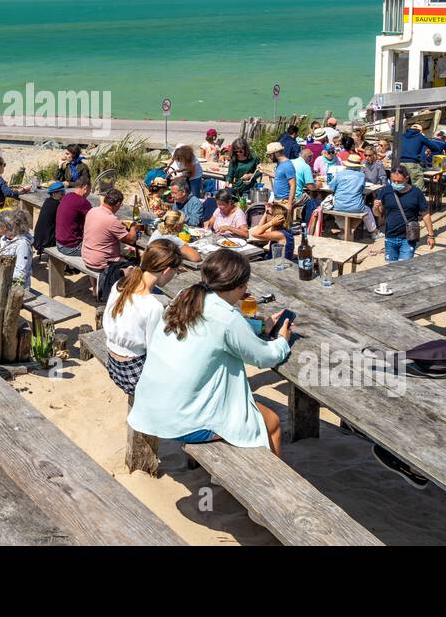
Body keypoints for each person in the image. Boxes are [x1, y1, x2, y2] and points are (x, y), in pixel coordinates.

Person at [128, 250, 294, 456]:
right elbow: (264, 357)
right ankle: (275, 485)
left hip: (150, 406)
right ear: (239, 287)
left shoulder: (186, 296)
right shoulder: (227, 317)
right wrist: (282, 341)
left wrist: (257, 326)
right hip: (183, 422)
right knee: (272, 422)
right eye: (245, 285)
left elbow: (212, 328)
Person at [102, 242, 184, 396]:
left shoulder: (120, 285)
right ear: (166, 270)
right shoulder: (153, 306)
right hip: (133, 374)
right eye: (176, 271)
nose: (174, 275)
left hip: (113, 365)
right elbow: (155, 350)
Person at [374, 165, 436, 261]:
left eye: (399, 181)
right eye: (393, 181)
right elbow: (378, 214)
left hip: (408, 238)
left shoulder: (416, 193)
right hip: (390, 237)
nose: (395, 183)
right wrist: (376, 207)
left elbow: (426, 214)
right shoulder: (385, 191)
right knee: (390, 269)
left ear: (406, 179)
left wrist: (430, 235)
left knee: (404, 269)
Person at [81, 187, 139, 271]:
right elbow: (131, 240)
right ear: (118, 204)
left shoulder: (92, 211)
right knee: (135, 257)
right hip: (102, 264)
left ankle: (95, 284)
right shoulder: (112, 220)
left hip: (87, 257)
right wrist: (134, 226)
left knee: (128, 251)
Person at [329, 153, 377, 237]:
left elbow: (332, 187)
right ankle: (373, 232)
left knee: (336, 209)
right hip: (356, 207)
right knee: (367, 210)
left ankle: (343, 230)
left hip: (339, 206)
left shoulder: (340, 174)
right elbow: (361, 190)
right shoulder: (361, 176)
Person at [0, 209, 34, 289]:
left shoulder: (22, 244)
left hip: (17, 288)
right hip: (3, 280)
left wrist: (0, 274)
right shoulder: (4, 239)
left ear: (4, 227)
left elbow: (21, 274)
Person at [55, 175, 93, 254]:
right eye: (90, 190)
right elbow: (96, 221)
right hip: (71, 247)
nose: (89, 192)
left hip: (59, 243)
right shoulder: (82, 202)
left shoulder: (67, 196)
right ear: (85, 188)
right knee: (103, 250)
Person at [262, 142, 297, 218]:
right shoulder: (280, 164)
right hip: (278, 200)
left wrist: (289, 204)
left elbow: (293, 185)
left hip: (285, 201)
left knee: (284, 227)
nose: (269, 157)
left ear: (276, 153)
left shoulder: (287, 165)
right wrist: (263, 170)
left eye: (270, 155)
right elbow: (278, 176)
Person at [32, 181, 66, 252]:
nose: (64, 195)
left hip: (39, 239)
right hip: (47, 241)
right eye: (62, 193)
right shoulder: (56, 205)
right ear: (54, 194)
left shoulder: (47, 201)